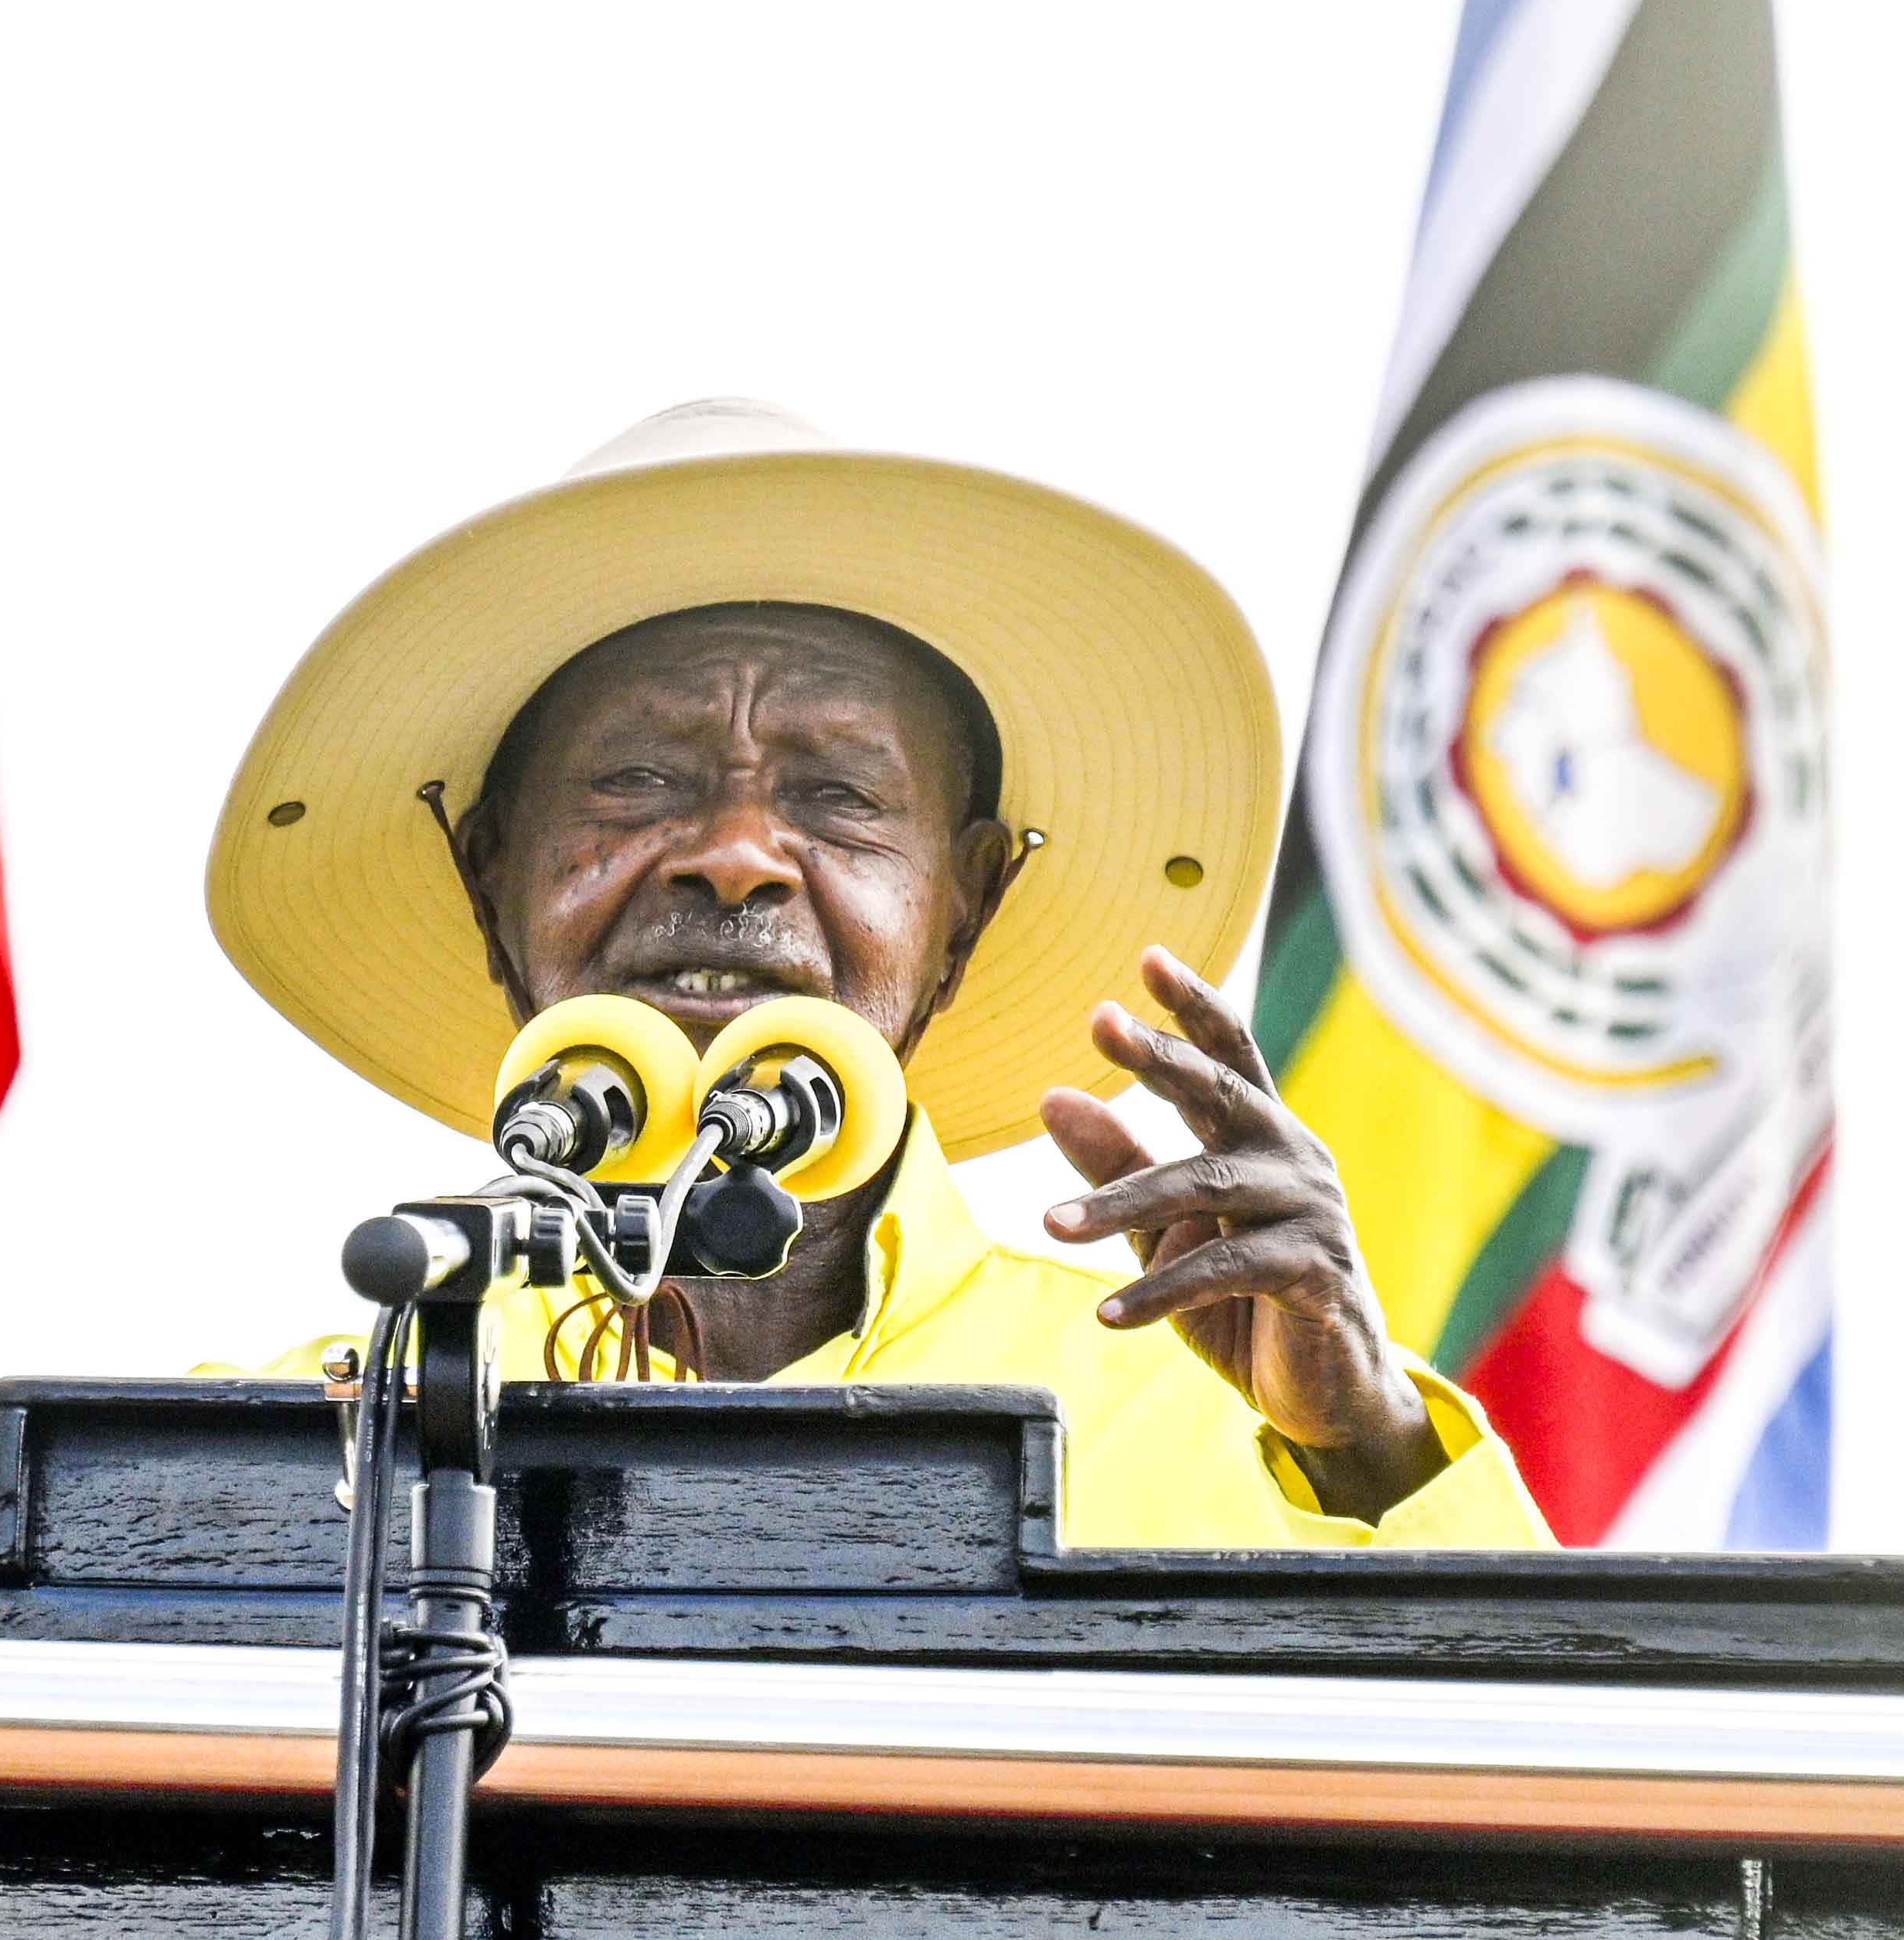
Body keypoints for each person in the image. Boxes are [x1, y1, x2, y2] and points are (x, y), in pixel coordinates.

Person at [208, 399, 1548, 1550]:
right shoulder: (293, 1443)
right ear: (487, 876)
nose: (734, 857)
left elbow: (1548, 1745)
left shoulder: (1242, 1420)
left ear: (968, 906)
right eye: (639, 777)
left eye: (837, 795)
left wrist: (1363, 1445)